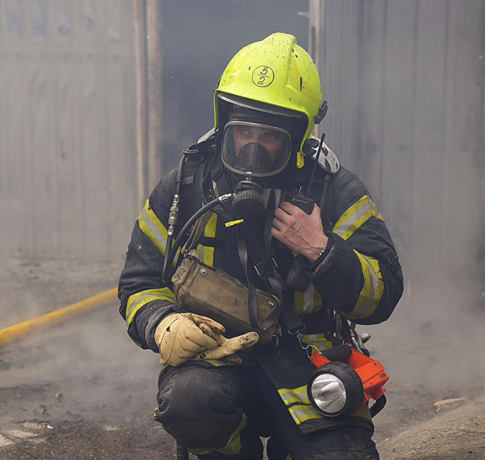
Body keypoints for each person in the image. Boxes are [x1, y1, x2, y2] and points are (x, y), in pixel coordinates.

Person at [117, 33, 403, 459]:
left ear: (298, 137)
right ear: (225, 125)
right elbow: (137, 281)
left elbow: (382, 298)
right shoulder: (187, 186)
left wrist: (322, 250)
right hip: (217, 361)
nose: (252, 147)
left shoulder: (335, 191)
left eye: (269, 136)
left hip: (310, 367)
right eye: (243, 131)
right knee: (189, 399)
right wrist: (161, 324)